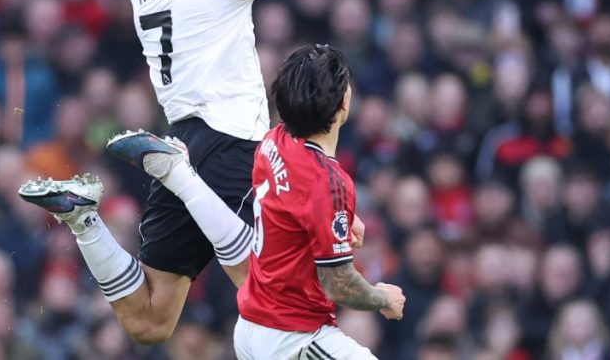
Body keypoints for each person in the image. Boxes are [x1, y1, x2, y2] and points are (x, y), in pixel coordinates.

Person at [17, 0, 464, 343]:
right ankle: (179, 178)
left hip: (183, 138)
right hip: (231, 144)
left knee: (150, 322)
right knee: (273, 292)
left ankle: (84, 219)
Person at [117, 44, 406, 358]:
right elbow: (339, 285)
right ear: (343, 103)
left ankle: (179, 176)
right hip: (292, 335)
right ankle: (179, 175)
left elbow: (295, 209)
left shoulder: (273, 142)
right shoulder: (330, 182)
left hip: (254, 326)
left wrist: (344, 218)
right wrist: (383, 297)